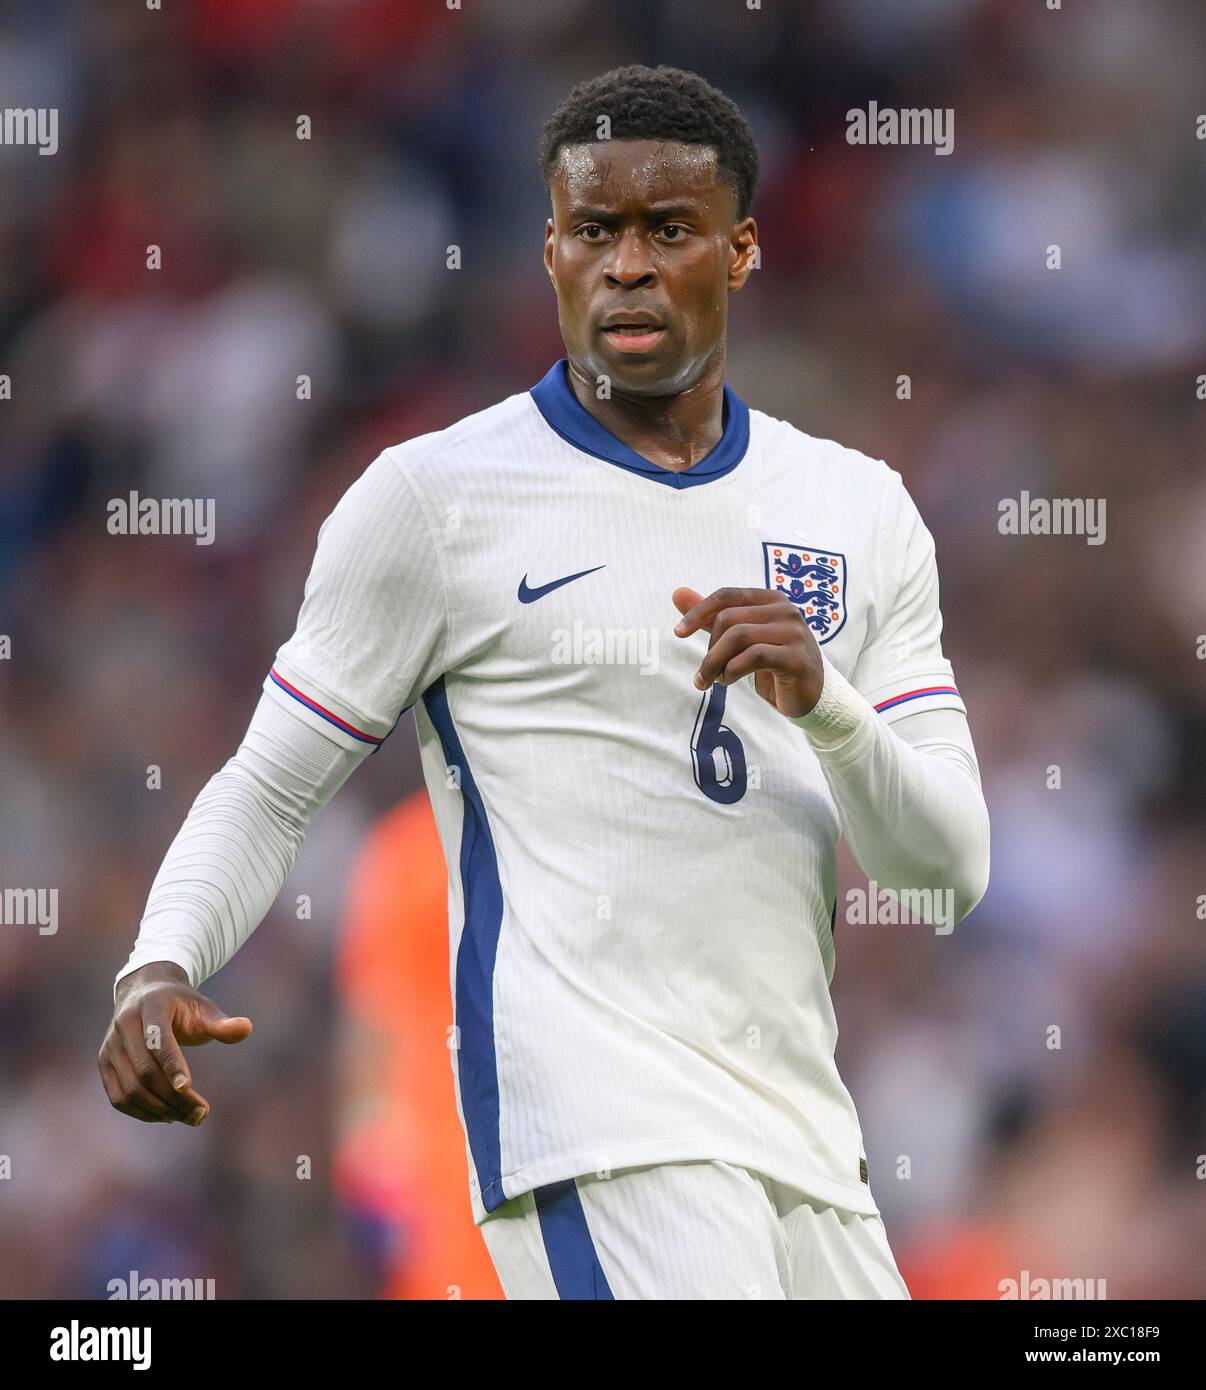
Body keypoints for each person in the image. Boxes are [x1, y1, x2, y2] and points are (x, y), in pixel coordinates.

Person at [100, 64, 990, 1300]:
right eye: (594, 231)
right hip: (602, 1138)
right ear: (552, 252)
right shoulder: (434, 502)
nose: (626, 265)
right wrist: (158, 961)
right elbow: (270, 783)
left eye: (667, 231)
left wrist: (827, 705)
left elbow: (946, 872)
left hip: (806, 1147)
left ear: (738, 253)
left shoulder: (858, 508)